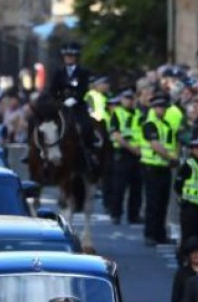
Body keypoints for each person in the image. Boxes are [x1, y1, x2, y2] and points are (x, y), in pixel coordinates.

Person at [48, 41, 98, 168]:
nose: (68, 58)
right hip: (62, 106)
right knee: (47, 126)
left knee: (86, 126)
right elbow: (53, 89)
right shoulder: (58, 72)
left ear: (76, 57)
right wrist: (59, 101)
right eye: (66, 56)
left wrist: (75, 99)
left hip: (78, 106)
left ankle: (91, 152)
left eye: (71, 56)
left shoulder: (83, 72)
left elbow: (84, 88)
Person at [141, 95, 177, 247]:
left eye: (164, 108)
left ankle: (160, 234)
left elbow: (171, 145)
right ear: (154, 108)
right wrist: (171, 158)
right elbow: (155, 145)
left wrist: (171, 159)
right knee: (153, 202)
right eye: (159, 107)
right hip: (152, 168)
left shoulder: (166, 125)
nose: (162, 110)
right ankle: (150, 234)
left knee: (163, 203)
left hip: (164, 168)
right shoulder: (150, 124)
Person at [106, 89, 143, 225]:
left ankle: (134, 215)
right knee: (119, 186)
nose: (129, 101)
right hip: (123, 153)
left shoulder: (140, 114)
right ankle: (116, 214)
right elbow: (116, 135)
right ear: (122, 100)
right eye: (127, 98)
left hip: (138, 155)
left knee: (137, 187)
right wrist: (132, 148)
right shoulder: (117, 113)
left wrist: (140, 150)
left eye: (131, 98)